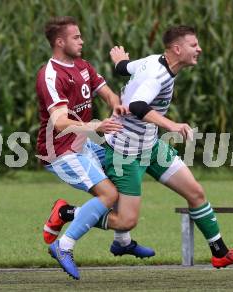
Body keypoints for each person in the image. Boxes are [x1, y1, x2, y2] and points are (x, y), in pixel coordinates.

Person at [102, 25, 233, 268]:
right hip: (125, 153)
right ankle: (68, 213)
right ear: (177, 49)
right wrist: (172, 125)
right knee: (126, 221)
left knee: (195, 193)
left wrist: (120, 62)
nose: (199, 49)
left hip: (151, 147)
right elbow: (137, 106)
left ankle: (220, 253)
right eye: (194, 45)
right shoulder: (158, 75)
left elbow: (125, 69)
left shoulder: (154, 60)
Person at [36, 16, 153, 280]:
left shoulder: (83, 66)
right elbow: (60, 122)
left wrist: (117, 104)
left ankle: (121, 242)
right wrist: (97, 126)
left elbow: (108, 93)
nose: (82, 41)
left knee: (122, 176)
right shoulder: (50, 75)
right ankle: (63, 246)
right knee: (109, 195)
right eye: (76, 37)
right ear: (59, 41)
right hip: (61, 152)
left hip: (83, 144)